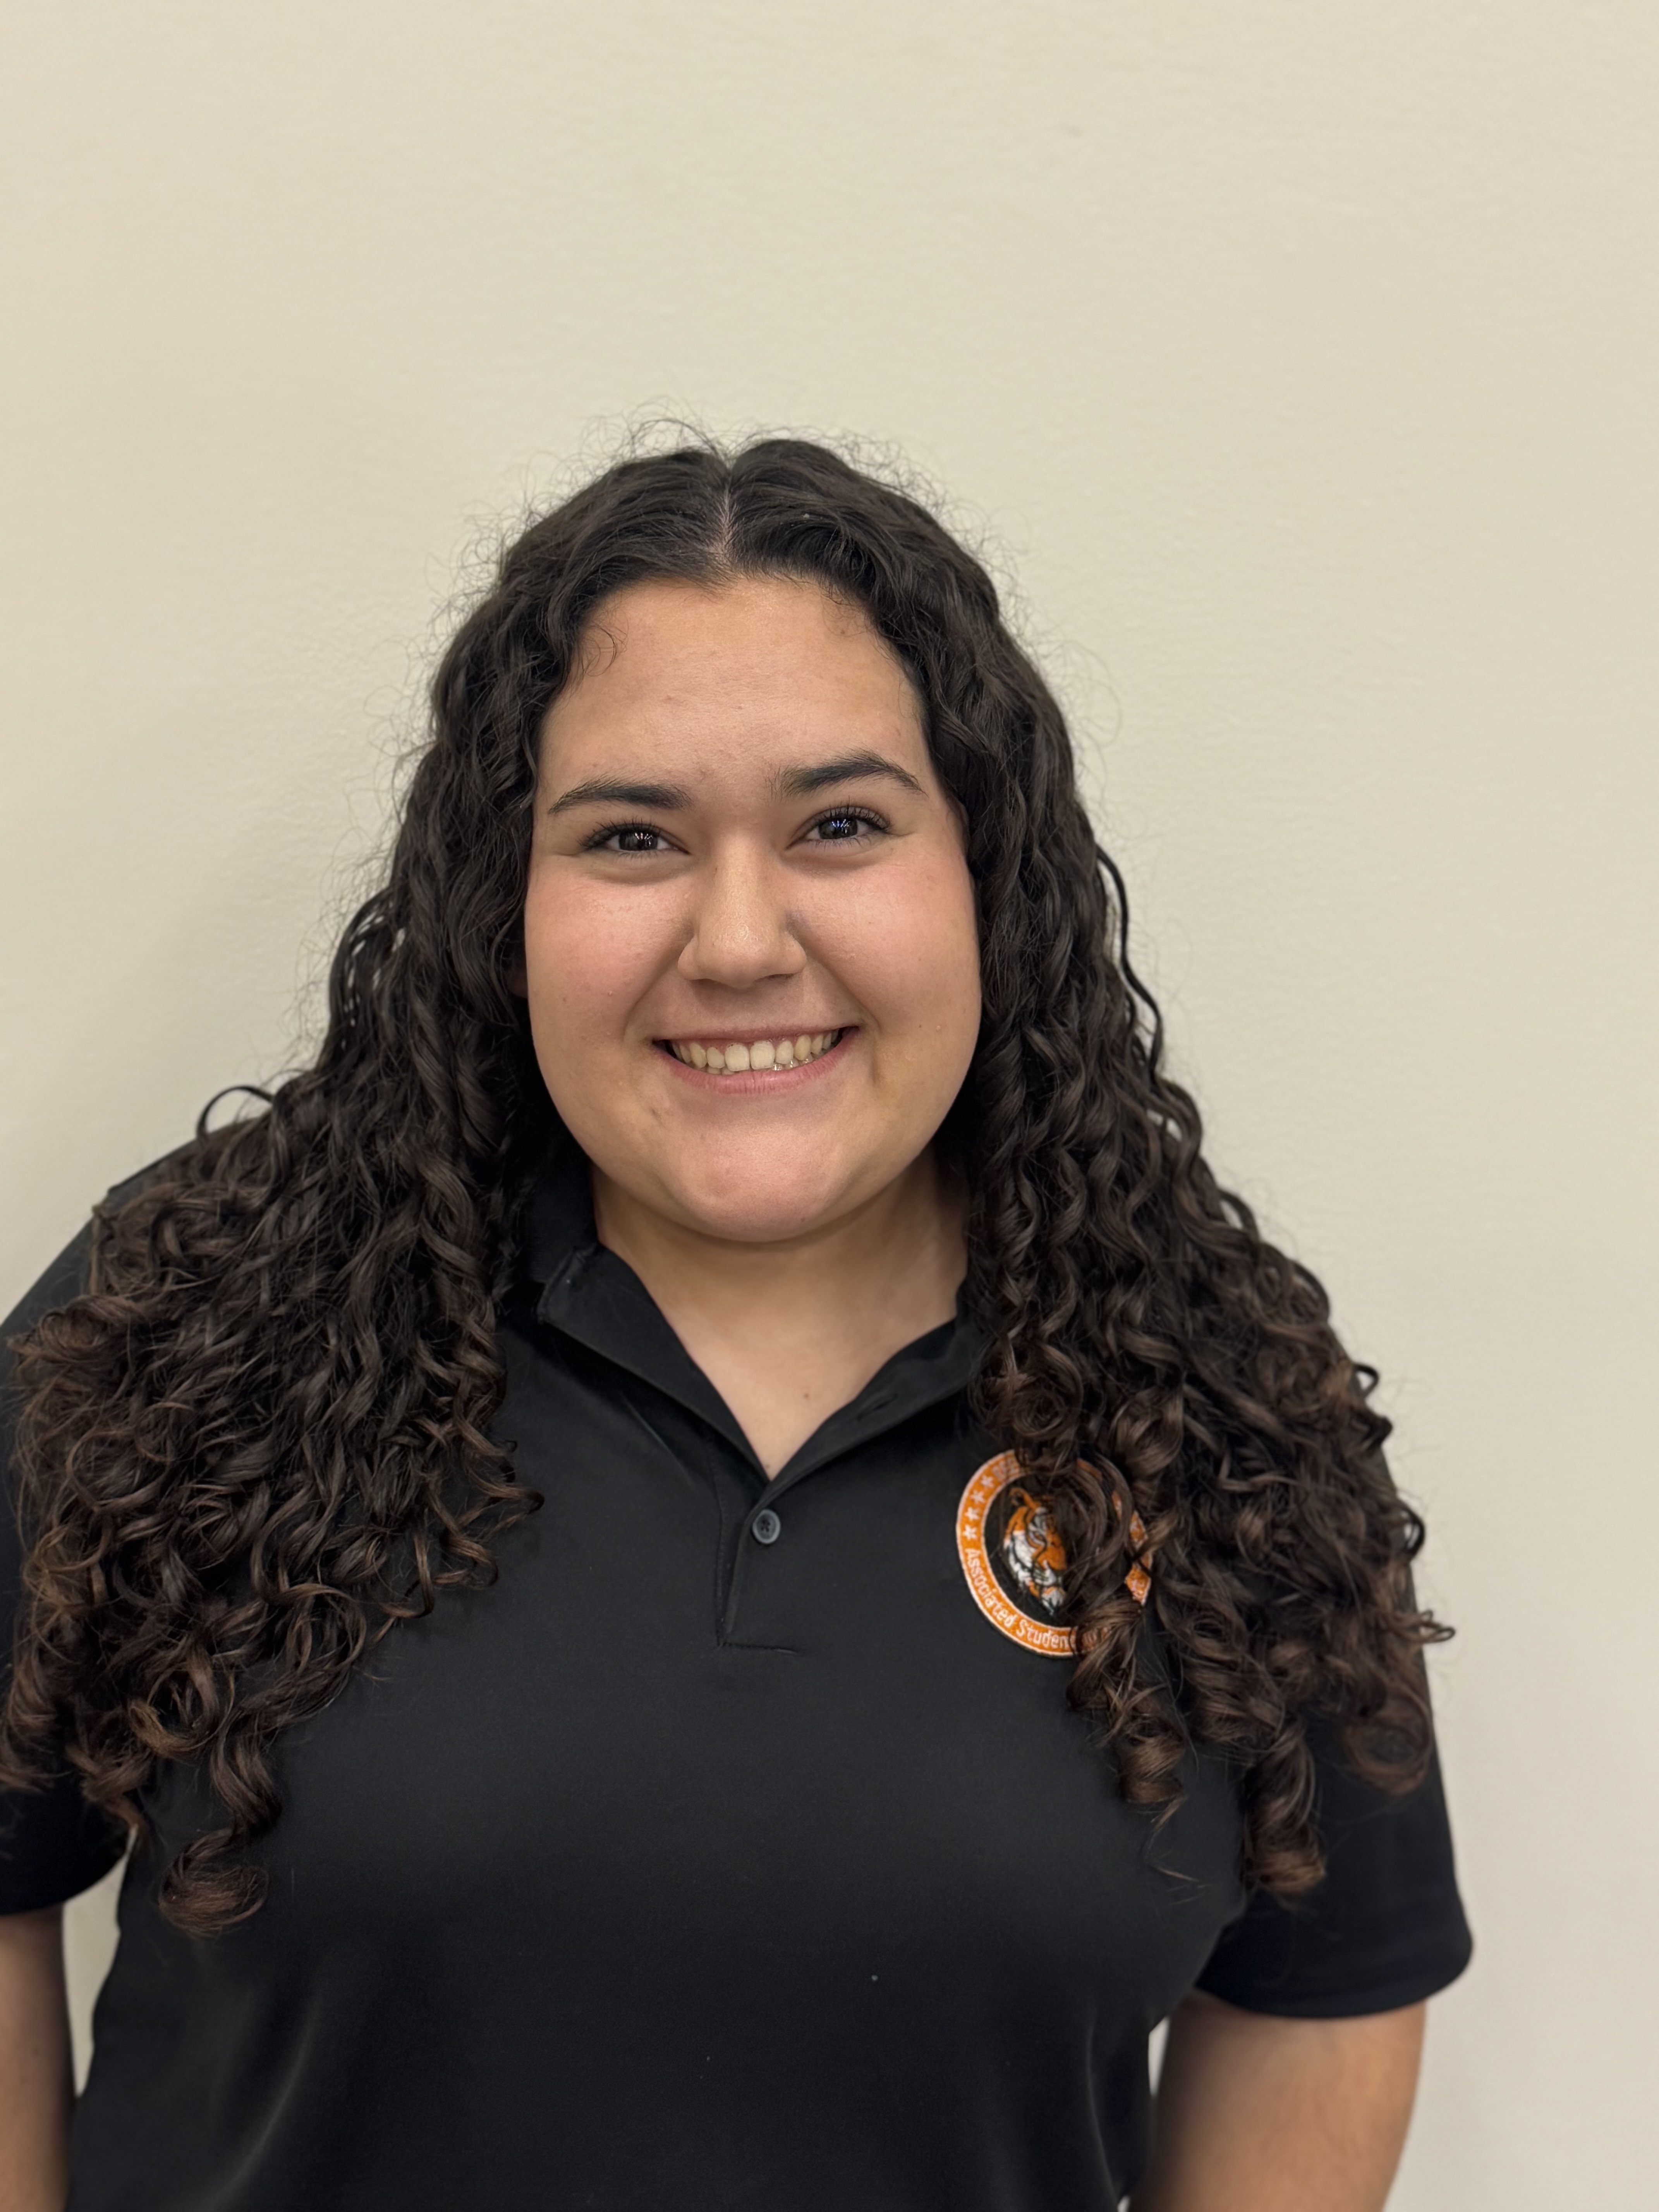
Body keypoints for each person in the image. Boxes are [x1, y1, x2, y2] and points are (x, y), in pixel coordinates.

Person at [0, 438, 1470, 2212]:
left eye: (842, 825)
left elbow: (1318, 1999)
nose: (741, 939)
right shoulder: (199, 1313)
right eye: (631, 838)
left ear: (988, 875)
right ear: (504, 908)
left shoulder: (1214, 1398)